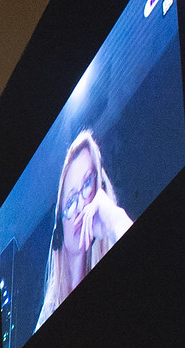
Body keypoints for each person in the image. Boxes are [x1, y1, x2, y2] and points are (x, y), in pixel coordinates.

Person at [37, 129, 132, 328]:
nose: (81, 205)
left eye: (88, 183)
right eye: (71, 201)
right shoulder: (50, 308)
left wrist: (113, 220)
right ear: (59, 231)